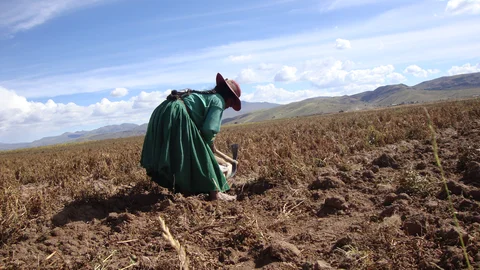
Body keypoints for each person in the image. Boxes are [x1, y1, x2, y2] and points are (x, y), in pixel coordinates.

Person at [140, 73, 241, 201]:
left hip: (163, 111)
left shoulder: (205, 96)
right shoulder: (218, 100)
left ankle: (185, 189)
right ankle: (215, 193)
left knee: (180, 152)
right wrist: (209, 146)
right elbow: (209, 130)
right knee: (200, 151)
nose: (228, 107)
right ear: (229, 98)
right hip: (177, 113)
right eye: (231, 104)